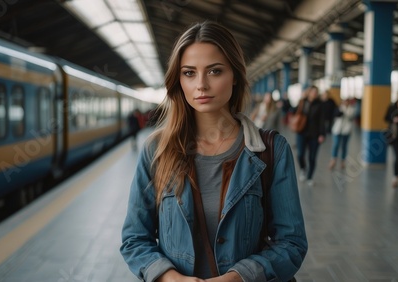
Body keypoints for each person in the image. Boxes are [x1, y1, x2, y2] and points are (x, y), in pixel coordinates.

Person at [120, 21, 307, 282]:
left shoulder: (270, 150)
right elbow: (134, 238)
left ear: (235, 76)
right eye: (189, 73)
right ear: (178, 81)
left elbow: (292, 243)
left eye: (215, 71)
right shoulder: (157, 151)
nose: (201, 85)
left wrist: (238, 277)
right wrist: (169, 278)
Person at [295, 85, 326, 186]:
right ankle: (303, 169)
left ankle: (310, 177)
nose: (314, 94)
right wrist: (301, 99)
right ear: (309, 92)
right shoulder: (303, 102)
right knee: (300, 155)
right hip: (302, 132)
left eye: (316, 92)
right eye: (312, 92)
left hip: (315, 134)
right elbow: (293, 111)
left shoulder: (320, 104)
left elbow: (322, 120)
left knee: (312, 157)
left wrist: (322, 134)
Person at [328, 98, 356, 170]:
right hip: (337, 130)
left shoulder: (351, 109)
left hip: (346, 131)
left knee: (344, 146)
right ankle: (333, 159)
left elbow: (351, 117)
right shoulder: (339, 108)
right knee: (336, 144)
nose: (345, 103)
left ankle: (343, 161)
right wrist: (341, 110)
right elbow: (336, 115)